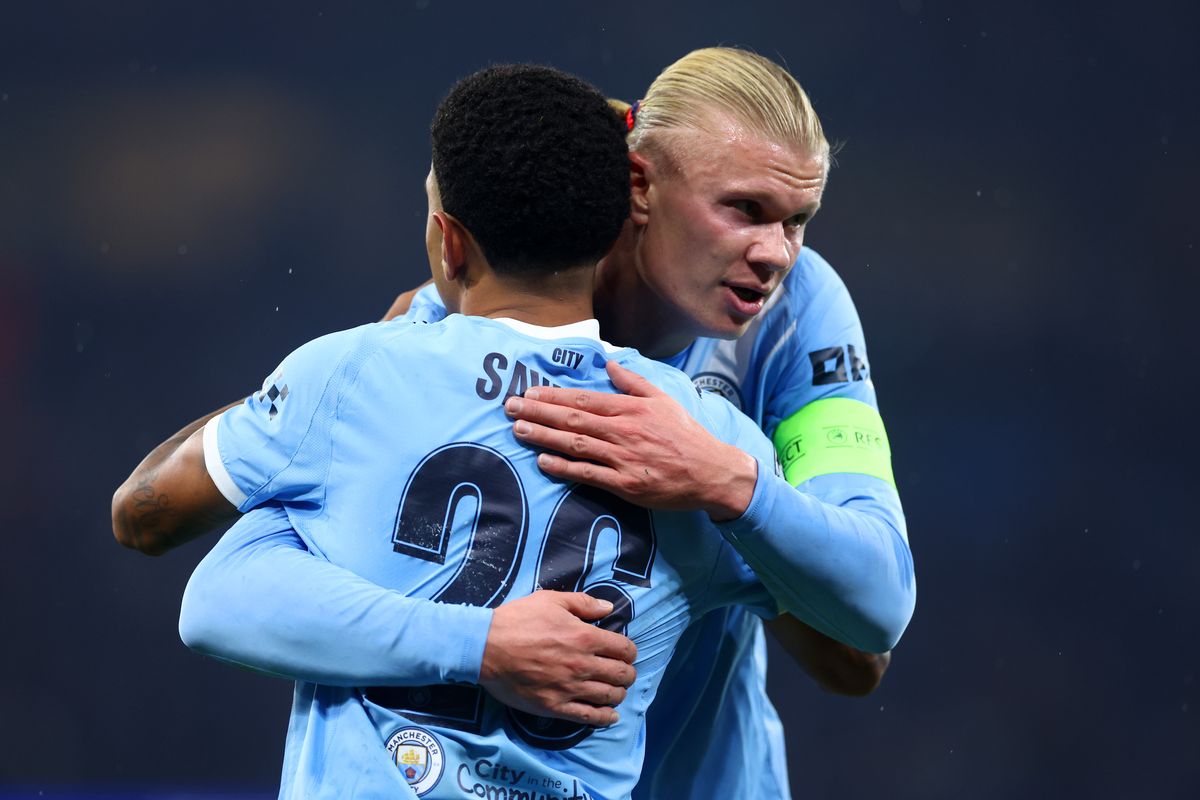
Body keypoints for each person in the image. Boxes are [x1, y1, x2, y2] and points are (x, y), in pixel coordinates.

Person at [113, 47, 914, 798]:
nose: (778, 253)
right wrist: (484, 643)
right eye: (744, 209)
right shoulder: (424, 337)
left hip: (697, 771)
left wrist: (719, 486)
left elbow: (860, 654)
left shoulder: (796, 312)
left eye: (798, 219)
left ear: (449, 241)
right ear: (639, 186)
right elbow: (209, 567)